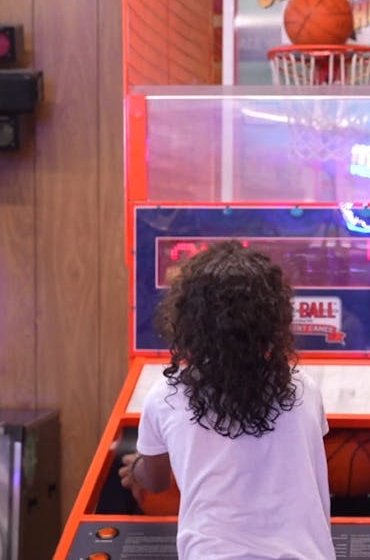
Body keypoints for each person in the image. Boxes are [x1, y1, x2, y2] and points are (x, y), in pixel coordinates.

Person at [118, 240, 335, 559]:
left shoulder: (166, 396)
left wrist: (137, 469)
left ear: (187, 319)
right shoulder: (304, 389)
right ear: (274, 319)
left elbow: (156, 480)